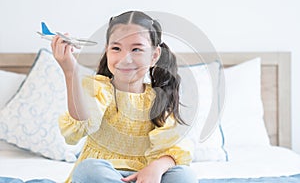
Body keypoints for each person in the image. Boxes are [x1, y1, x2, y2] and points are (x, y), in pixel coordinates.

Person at [51, 11, 198, 183]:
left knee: (185, 175)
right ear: (107, 51)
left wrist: (156, 168)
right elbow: (80, 125)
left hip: (147, 177)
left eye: (136, 49)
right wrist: (71, 72)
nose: (125, 59)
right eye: (116, 48)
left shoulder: (158, 98)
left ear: (154, 55)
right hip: (105, 175)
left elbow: (177, 146)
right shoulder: (98, 88)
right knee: (87, 170)